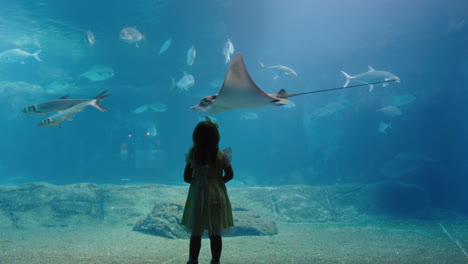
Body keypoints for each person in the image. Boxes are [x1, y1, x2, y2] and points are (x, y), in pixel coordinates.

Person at [181, 121, 234, 264]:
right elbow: (230, 175)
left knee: (196, 231)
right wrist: (217, 181)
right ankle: (215, 261)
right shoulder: (222, 155)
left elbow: (186, 178)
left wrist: (199, 180)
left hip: (198, 194)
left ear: (196, 137)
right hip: (216, 194)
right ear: (216, 137)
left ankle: (193, 260)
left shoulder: (192, 155)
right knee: (215, 231)